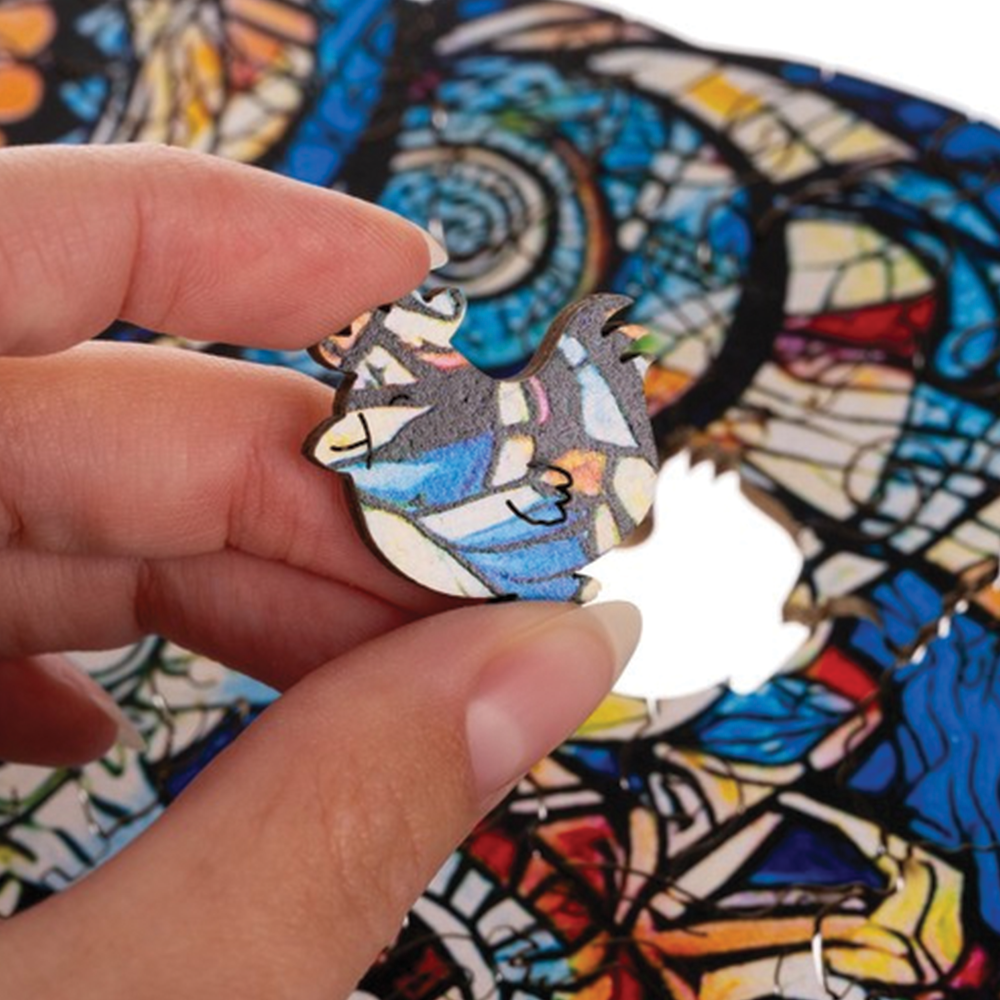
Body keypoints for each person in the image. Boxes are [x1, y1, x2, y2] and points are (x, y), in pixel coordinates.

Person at [0, 144, 640, 999]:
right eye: (346, 341)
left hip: (481, 504)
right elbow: (356, 442)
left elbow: (407, 433)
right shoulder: (394, 396)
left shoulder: (452, 397)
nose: (344, 346)